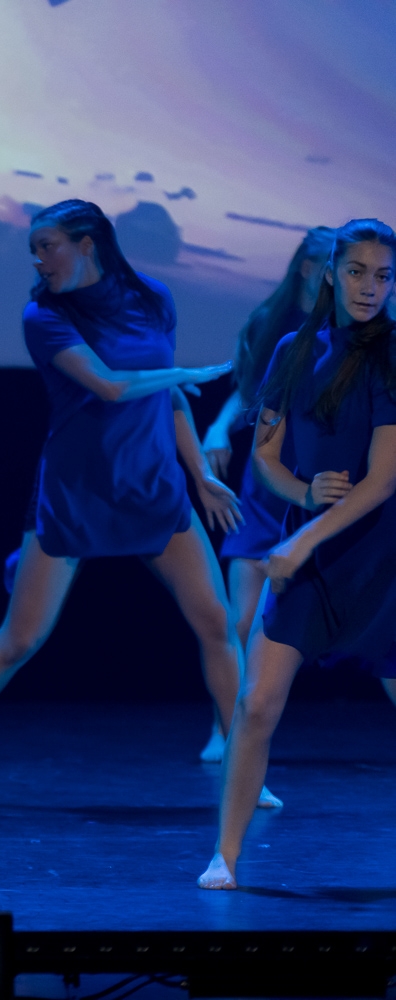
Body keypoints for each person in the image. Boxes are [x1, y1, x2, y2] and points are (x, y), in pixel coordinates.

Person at [0, 199, 271, 807]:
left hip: (153, 483)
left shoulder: (152, 299)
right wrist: (182, 374)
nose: (38, 260)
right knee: (20, 639)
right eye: (34, 249)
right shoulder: (44, 316)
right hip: (77, 492)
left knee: (216, 622)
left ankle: (246, 769)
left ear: (87, 244)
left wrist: (199, 475)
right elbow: (110, 385)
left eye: (47, 246)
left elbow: (169, 399)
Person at [200, 219, 396, 890]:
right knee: (256, 704)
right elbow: (265, 458)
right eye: (358, 272)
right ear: (331, 274)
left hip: (380, 559)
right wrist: (303, 494)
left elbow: (383, 480)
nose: (370, 287)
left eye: (383, 276)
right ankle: (225, 855)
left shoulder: (391, 353)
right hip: (309, 557)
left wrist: (299, 538)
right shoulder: (293, 348)